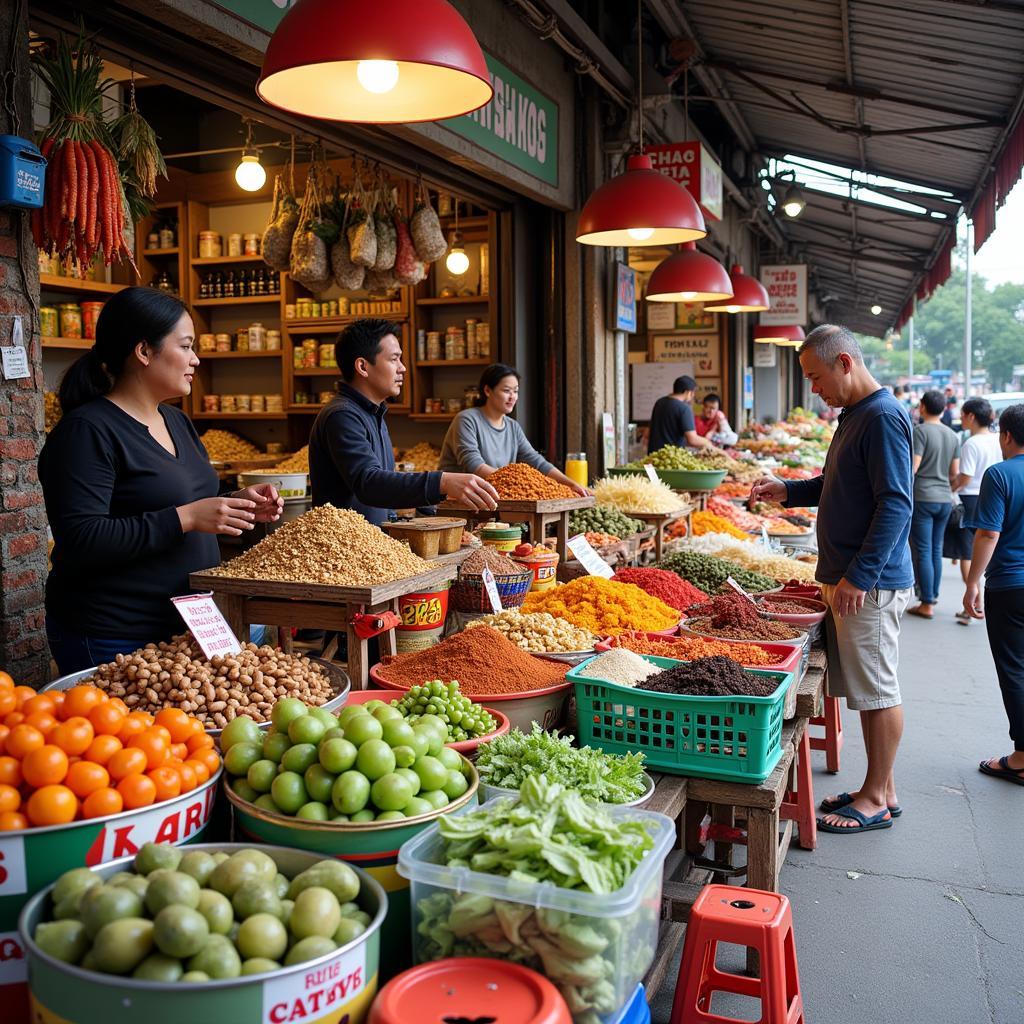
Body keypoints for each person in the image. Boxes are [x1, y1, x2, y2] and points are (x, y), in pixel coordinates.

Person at [39, 287, 283, 675]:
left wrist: (235, 502)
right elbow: (82, 538)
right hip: (115, 633)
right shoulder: (86, 432)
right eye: (185, 346)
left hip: (189, 623)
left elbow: (182, 498)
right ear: (144, 351)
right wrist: (186, 517)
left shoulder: (176, 421)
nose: (195, 359)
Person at [751, 324, 913, 835]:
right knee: (867, 690)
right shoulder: (855, 416)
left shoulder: (883, 418)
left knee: (880, 690)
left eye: (817, 378)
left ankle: (876, 800)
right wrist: (789, 490)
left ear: (844, 362)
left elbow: (895, 505)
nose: (815, 390)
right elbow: (837, 484)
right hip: (852, 575)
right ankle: (879, 787)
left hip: (870, 581)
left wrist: (858, 576)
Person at [309, 319, 498, 524]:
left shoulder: (373, 412)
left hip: (370, 544)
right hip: (342, 548)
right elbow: (369, 484)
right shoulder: (342, 415)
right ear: (363, 366)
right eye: (394, 359)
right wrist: (442, 482)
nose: (403, 368)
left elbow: (382, 487)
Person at [962, 404, 1024, 786]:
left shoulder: (1000, 475)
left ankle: (1021, 756)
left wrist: (972, 581)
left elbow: (988, 534)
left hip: (1010, 586)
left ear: (1005, 436)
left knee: (1015, 669)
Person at [438, 363, 587, 495]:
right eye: (506, 390)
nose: (512, 397)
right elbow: (473, 464)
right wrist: (518, 483)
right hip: (456, 502)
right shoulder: (467, 419)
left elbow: (536, 461)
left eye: (515, 391)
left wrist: (569, 483)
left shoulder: (512, 427)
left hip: (489, 500)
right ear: (488, 390)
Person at [907, 389, 959, 619]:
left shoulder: (920, 431)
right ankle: (932, 597)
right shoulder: (952, 435)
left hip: (923, 498)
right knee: (936, 549)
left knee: (923, 550)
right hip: (944, 499)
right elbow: (954, 473)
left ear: (923, 407)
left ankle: (926, 602)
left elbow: (913, 467)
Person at [951, 397, 1002, 622]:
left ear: (972, 416)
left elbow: (966, 476)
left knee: (966, 554)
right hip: (995, 496)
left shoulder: (972, 443)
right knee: (989, 549)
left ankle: (973, 600)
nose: (961, 418)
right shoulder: (998, 439)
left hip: (971, 499)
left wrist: (951, 488)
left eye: (963, 414)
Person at [647, 375, 714, 453]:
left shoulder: (659, 402)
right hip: (671, 458)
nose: (693, 396)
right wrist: (707, 442)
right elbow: (692, 439)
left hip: (654, 456)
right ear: (687, 392)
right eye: (693, 392)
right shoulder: (684, 408)